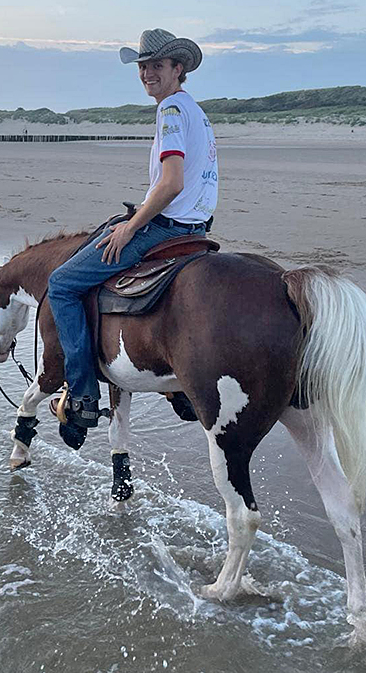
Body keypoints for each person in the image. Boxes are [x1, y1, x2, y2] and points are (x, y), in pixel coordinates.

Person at [47, 28, 218, 436]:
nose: (147, 73)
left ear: (178, 68)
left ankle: (84, 396)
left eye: (156, 65)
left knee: (62, 284)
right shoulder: (195, 110)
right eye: (143, 66)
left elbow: (171, 182)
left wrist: (132, 226)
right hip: (196, 227)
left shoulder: (172, 112)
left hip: (165, 227)